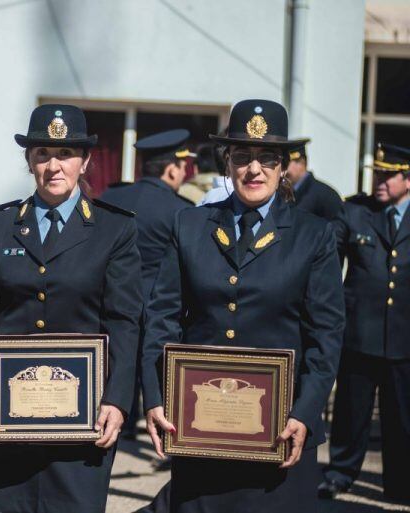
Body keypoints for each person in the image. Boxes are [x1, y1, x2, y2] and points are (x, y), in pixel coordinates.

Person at [142, 99, 345, 512]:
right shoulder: (190, 225)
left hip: (279, 429)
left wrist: (305, 413)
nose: (254, 169)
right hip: (200, 424)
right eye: (242, 156)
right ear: (227, 163)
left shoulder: (313, 235)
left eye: (267, 158)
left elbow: (326, 336)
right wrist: (155, 397)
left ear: (284, 165)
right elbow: (162, 318)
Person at [0, 104, 142, 513]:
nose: (53, 166)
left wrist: (117, 400)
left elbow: (124, 321)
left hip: (83, 414)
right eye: (42, 154)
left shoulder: (115, 229)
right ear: (29, 161)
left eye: (65, 154)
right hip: (7, 413)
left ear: (86, 161)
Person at [318, 143, 410, 503]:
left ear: (408, 179)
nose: (380, 181)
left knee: (402, 418)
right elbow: (328, 261)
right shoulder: (355, 210)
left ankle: (401, 484)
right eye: (377, 173)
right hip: (359, 330)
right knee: (351, 410)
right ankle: (340, 473)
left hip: (404, 335)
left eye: (389, 175)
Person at [100, 129, 195, 441]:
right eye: (183, 167)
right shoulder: (181, 210)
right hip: (156, 300)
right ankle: (159, 420)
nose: (184, 174)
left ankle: (118, 420)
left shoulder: (111, 197)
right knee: (154, 364)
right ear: (171, 169)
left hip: (111, 297)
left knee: (117, 359)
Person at [285, 142, 343, 221]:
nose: (284, 171)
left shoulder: (325, 195)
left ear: (301, 163)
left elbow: (339, 229)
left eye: (286, 163)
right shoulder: (285, 192)